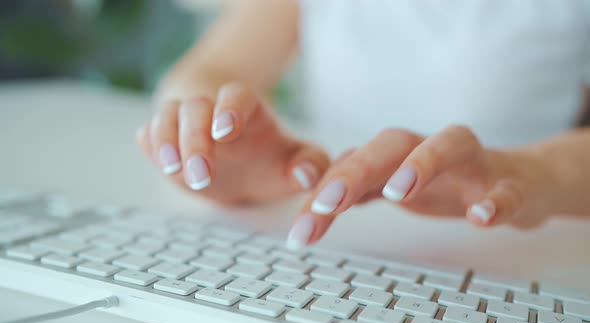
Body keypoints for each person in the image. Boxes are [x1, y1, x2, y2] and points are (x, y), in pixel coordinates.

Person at [135, 0, 590, 251]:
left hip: (519, 252)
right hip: (336, 252)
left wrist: (532, 174)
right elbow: (211, 70)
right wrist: (208, 139)